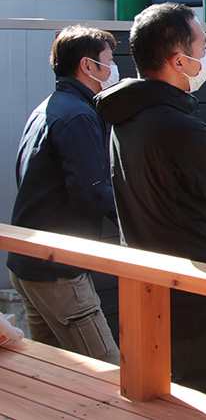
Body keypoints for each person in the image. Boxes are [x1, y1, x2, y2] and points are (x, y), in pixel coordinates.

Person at [94, 3, 206, 403]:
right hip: (201, 310)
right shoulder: (175, 126)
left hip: (152, 299)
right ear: (178, 60)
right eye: (202, 48)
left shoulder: (128, 120)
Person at [7, 25, 120, 365]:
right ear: (88, 66)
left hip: (26, 261)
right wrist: (149, 216)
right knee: (109, 373)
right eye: (109, 61)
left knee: (53, 370)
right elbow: (94, 193)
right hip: (57, 268)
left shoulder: (48, 108)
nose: (114, 69)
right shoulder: (78, 116)